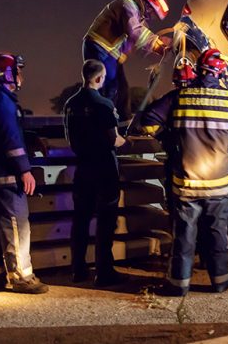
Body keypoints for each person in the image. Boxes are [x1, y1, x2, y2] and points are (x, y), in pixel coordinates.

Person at [134, 48, 228, 296]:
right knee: (218, 233)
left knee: (184, 234)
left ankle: (179, 284)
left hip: (186, 182)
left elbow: (148, 122)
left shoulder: (179, 97)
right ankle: (221, 281)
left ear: (199, 70)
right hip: (218, 184)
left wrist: (170, 139)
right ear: (220, 72)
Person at [0, 54, 49, 294]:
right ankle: (21, 277)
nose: (21, 75)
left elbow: (4, 135)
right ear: (7, 74)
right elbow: (10, 141)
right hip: (8, 178)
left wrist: (31, 138)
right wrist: (25, 170)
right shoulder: (4, 103)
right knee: (17, 227)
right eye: (17, 70)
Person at [64, 59, 128, 286]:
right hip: (104, 169)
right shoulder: (104, 104)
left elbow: (70, 139)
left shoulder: (70, 104)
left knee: (80, 219)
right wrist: (123, 139)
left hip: (82, 168)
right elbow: (114, 139)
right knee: (105, 220)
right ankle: (104, 271)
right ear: (99, 78)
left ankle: (78, 269)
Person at [83, 0, 171, 120]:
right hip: (99, 47)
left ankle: (122, 122)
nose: (152, 17)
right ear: (146, 4)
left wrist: (158, 48)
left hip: (110, 53)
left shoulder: (136, 15)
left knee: (122, 90)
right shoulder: (127, 5)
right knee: (109, 86)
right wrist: (157, 44)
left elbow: (139, 40)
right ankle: (103, 124)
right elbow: (136, 32)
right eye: (153, 12)